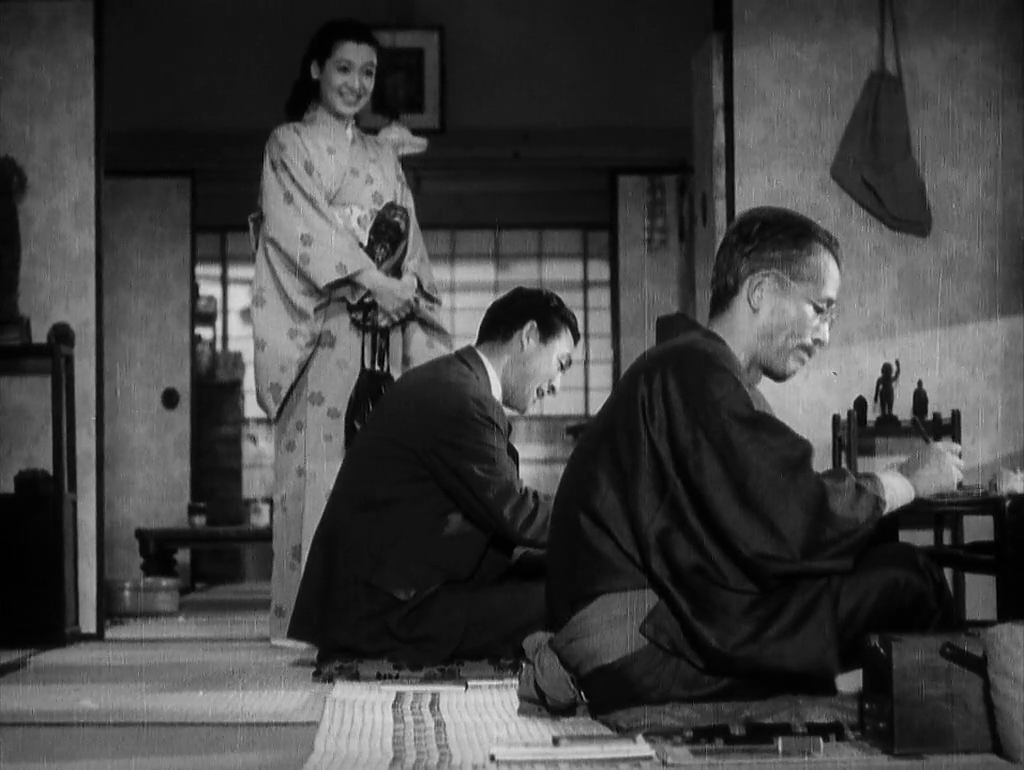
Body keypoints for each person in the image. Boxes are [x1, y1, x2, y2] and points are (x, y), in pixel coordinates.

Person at [526, 207, 962, 715]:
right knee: (910, 579)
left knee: (872, 573)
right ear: (761, 291)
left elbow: (758, 511)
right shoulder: (695, 370)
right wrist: (906, 480)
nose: (824, 335)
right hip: (644, 647)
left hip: (644, 628)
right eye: (819, 309)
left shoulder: (689, 367)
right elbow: (786, 513)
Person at [250, 19, 449, 642]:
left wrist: (404, 287)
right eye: (343, 69)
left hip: (381, 339)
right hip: (322, 331)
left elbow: (409, 237)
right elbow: (297, 232)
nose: (356, 84)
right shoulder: (289, 144)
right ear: (316, 70)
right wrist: (372, 282)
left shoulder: (380, 155)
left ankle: (370, 620)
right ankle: (308, 623)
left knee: (379, 472)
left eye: (367, 73)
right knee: (316, 474)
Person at [287, 287, 580, 666]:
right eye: (560, 363)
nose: (556, 385)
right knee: (575, 593)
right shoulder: (463, 398)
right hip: (391, 613)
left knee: (560, 571)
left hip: (391, 592)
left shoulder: (450, 382)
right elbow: (517, 512)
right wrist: (600, 521)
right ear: (529, 336)